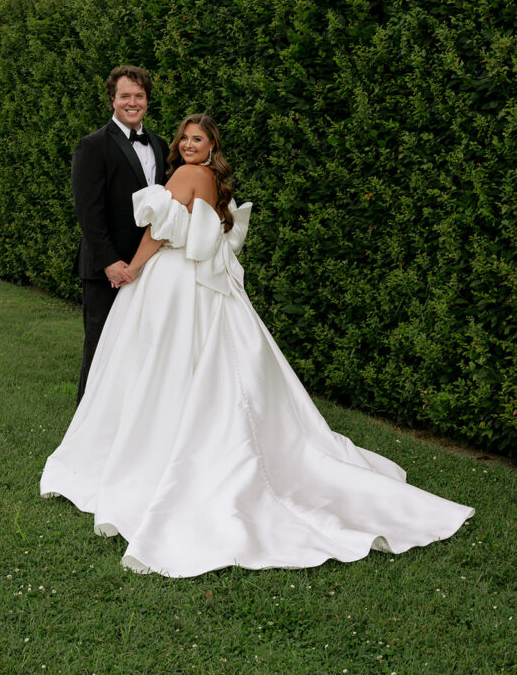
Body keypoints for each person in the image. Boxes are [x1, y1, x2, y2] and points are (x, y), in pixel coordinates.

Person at [42, 114, 474, 577]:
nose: (188, 145)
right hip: (205, 284)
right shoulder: (213, 181)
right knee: (209, 363)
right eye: (185, 138)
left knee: (160, 364)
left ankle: (155, 447)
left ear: (212, 146)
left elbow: (159, 232)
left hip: (174, 281)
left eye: (197, 139)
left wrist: (131, 268)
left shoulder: (186, 176)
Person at [71, 65, 169, 403]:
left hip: (148, 266)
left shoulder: (160, 145)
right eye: (125, 95)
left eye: (139, 96)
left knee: (140, 349)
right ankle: (85, 421)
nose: (132, 102)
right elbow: (89, 212)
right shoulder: (92, 145)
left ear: (147, 100)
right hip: (107, 270)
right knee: (101, 347)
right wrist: (109, 262)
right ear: (112, 99)